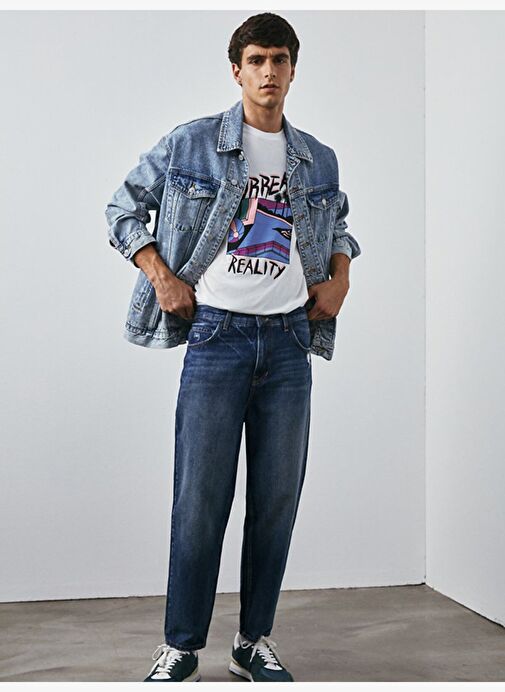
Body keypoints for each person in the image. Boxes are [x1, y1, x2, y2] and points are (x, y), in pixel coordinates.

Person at [105, 11, 361, 683]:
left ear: (293, 70)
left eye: (279, 60)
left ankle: (253, 642)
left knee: (275, 502)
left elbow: (338, 227)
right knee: (199, 499)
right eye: (256, 60)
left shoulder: (317, 157)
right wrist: (161, 276)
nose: (268, 72)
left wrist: (340, 278)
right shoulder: (193, 144)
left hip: (288, 344)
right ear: (237, 70)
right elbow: (121, 209)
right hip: (217, 338)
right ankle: (181, 645)